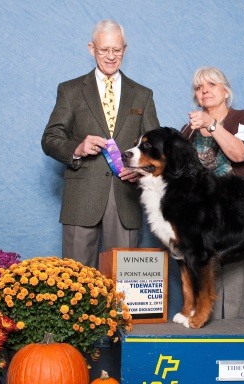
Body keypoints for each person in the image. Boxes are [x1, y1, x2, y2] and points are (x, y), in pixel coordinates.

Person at [41, 19, 160, 268]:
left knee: (123, 284)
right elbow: (50, 139)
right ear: (91, 48)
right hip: (81, 198)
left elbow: (155, 148)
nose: (110, 56)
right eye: (104, 49)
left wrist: (140, 171)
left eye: (116, 50)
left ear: (124, 50)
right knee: (75, 281)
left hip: (126, 197)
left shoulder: (142, 94)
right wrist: (77, 148)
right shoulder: (70, 90)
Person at [180, 66, 244, 319]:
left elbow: (240, 154)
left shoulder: (242, 118)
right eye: (199, 87)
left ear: (226, 91)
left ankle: (237, 354)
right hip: (202, 223)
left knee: (236, 300)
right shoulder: (188, 131)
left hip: (239, 216)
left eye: (211, 85)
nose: (204, 91)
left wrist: (213, 125)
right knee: (206, 296)